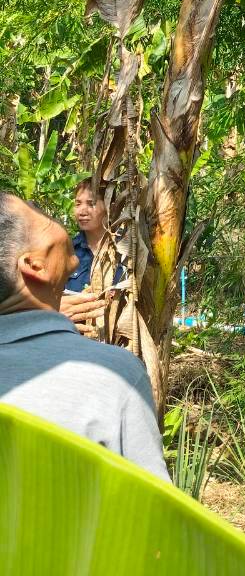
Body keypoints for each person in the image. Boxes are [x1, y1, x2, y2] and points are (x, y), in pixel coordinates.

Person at [0, 191, 168, 479]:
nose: (38, 206)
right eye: (31, 208)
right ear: (35, 266)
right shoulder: (114, 376)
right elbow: (151, 500)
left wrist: (46, 313)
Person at [61, 177, 123, 337]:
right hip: (75, 337)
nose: (82, 211)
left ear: (109, 206)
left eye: (91, 204)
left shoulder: (127, 250)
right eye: (78, 204)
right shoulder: (67, 251)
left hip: (120, 340)